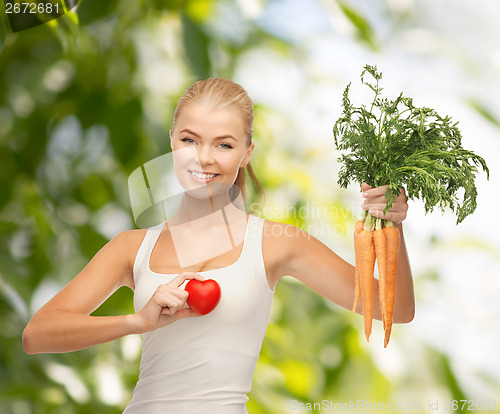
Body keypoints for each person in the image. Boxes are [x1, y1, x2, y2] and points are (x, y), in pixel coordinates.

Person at [22, 78, 414, 413]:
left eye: (224, 145)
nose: (204, 158)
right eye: (190, 140)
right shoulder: (132, 247)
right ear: (172, 142)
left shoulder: (276, 244)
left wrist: (392, 228)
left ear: (246, 153)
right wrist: (137, 322)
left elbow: (396, 310)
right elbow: (38, 334)